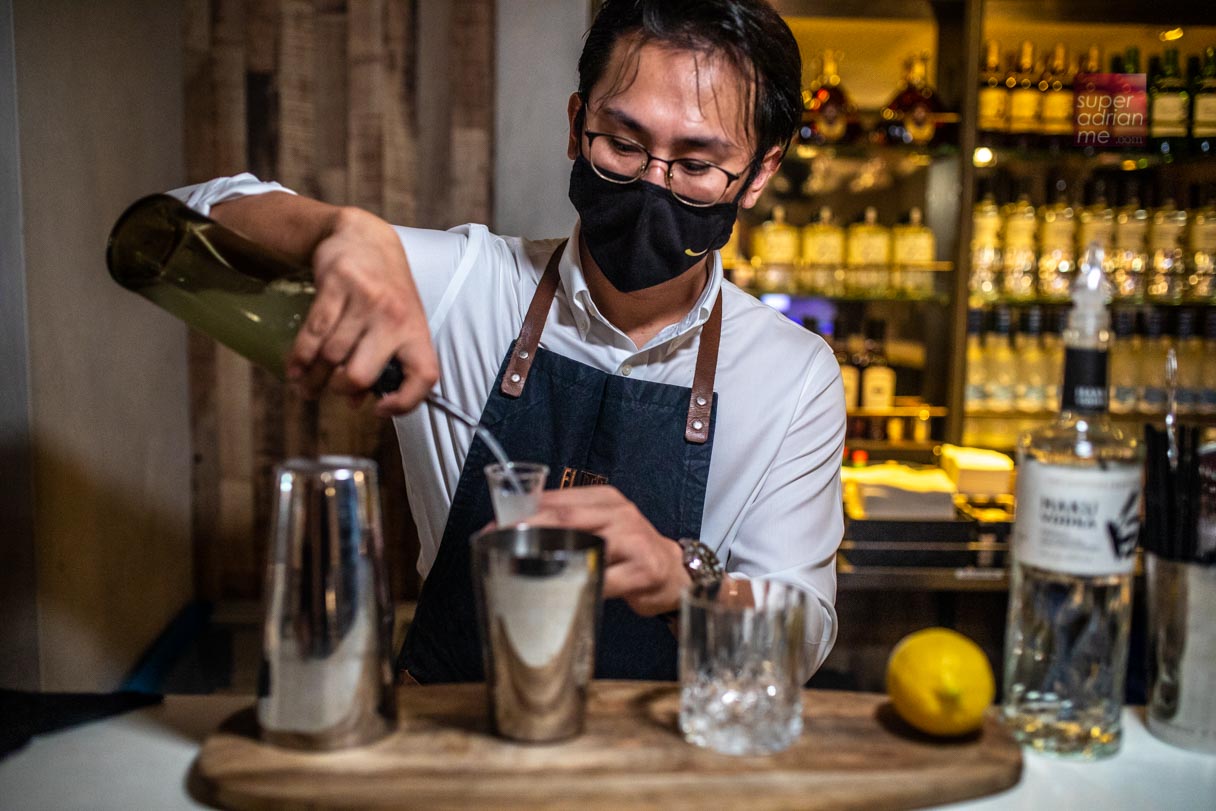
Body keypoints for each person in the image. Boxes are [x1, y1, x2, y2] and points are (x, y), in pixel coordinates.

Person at [173, 0, 845, 683]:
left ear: (759, 173)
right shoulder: (469, 286)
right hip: (451, 754)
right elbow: (183, 217)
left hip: (652, 771)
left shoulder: (792, 376)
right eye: (622, 142)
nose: (652, 182)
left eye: (697, 164)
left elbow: (803, 634)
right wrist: (334, 230)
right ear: (575, 125)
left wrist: (686, 582)